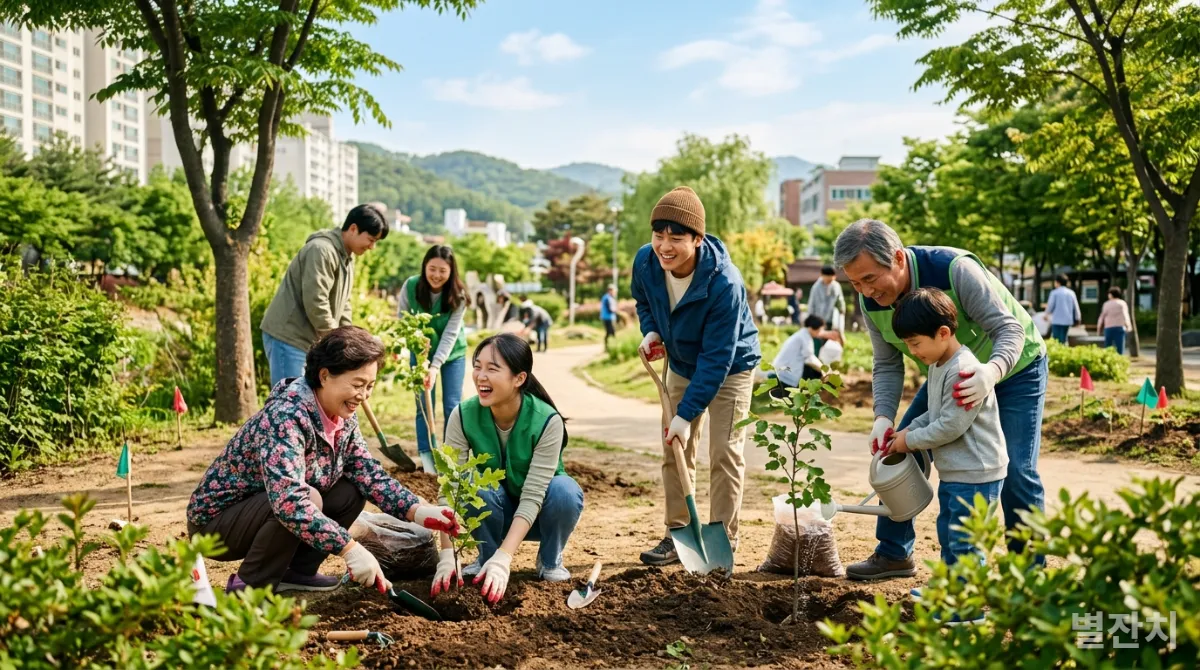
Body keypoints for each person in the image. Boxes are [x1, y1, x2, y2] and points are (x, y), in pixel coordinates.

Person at [833, 218, 1047, 580]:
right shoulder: (871, 303)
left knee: (1016, 471)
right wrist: (883, 417)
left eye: (870, 279)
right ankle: (894, 554)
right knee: (898, 451)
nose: (865, 291)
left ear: (898, 258)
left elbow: (1008, 329)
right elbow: (886, 363)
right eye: (855, 282)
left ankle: (1029, 574)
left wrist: (990, 372)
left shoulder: (955, 270)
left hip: (1013, 368)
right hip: (948, 375)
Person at [186, 327, 460, 594]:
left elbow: (367, 472)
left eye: (370, 386)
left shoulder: (343, 417)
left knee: (351, 489)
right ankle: (250, 586)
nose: (363, 396)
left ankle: (297, 572)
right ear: (325, 375)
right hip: (217, 526)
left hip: (265, 509)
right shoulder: (286, 416)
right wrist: (349, 549)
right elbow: (289, 502)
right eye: (357, 385)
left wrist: (418, 511)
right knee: (307, 499)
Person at [631, 186, 761, 566]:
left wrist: (687, 415)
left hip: (731, 367)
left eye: (676, 237)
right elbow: (643, 299)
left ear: (698, 239)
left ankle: (723, 538)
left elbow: (718, 358)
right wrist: (652, 330)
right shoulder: (646, 261)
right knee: (674, 447)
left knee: (724, 452)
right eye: (659, 235)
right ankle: (678, 534)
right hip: (682, 363)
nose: (664, 246)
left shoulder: (725, 283)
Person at [429, 333, 583, 604]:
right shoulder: (463, 415)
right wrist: (446, 554)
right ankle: (486, 557)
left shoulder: (547, 420)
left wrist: (506, 558)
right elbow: (450, 485)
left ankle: (549, 561)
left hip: (540, 515)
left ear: (519, 378)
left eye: (492, 368)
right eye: (477, 366)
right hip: (494, 513)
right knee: (473, 481)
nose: (480, 376)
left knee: (565, 491)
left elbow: (535, 494)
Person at [884, 288, 1007, 616]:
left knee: (963, 541)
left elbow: (951, 425)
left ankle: (965, 610)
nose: (912, 351)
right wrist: (907, 430)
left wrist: (909, 442)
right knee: (950, 531)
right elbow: (935, 412)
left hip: (978, 472)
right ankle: (951, 589)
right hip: (959, 471)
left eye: (914, 343)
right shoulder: (939, 363)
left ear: (943, 333)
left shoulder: (963, 370)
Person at [260, 205, 388, 387]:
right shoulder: (321, 250)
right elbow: (316, 301)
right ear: (353, 228)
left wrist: (349, 341)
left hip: (310, 340)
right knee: (289, 403)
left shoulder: (347, 258)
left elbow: (344, 304)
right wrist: (336, 345)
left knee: (309, 403)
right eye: (370, 239)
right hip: (289, 337)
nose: (372, 247)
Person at [398, 245, 469, 473]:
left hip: (452, 355)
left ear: (451, 272)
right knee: (423, 406)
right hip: (419, 353)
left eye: (442, 271)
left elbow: (450, 334)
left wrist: (435, 365)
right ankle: (428, 456)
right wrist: (420, 358)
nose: (436, 275)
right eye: (432, 269)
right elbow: (404, 321)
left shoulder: (458, 295)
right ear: (424, 267)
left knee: (452, 406)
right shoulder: (410, 287)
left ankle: (451, 457)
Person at [769, 314, 826, 397]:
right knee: (787, 396)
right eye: (818, 331)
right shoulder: (805, 337)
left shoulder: (801, 334)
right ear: (811, 328)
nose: (819, 333)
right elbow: (809, 358)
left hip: (782, 369)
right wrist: (824, 369)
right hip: (785, 373)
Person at [808, 265, 846, 332]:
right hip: (817, 319)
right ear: (822, 276)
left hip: (831, 319)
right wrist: (811, 320)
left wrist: (842, 311)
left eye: (831, 280)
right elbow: (811, 304)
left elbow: (840, 300)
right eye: (827, 280)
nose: (829, 282)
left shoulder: (836, 286)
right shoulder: (816, 287)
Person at [1045, 274, 1081, 344]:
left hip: (1056, 320)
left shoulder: (1054, 293)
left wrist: (1046, 314)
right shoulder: (1071, 293)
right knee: (1064, 338)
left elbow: (1050, 306)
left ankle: (1057, 352)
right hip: (1067, 320)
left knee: (1056, 339)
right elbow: (1076, 307)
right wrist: (1078, 318)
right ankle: (1064, 351)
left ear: (1058, 282)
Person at [1096, 287, 1132, 355]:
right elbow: (1125, 315)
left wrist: (1099, 328)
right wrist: (1128, 325)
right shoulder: (1122, 303)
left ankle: (1109, 362)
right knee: (1120, 348)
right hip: (1120, 328)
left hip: (1108, 328)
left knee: (1108, 348)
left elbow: (1102, 317)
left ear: (1111, 295)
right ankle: (1120, 361)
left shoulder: (1106, 304)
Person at [600, 285, 619, 350]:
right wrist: (616, 311)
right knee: (611, 332)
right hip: (608, 318)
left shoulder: (609, 297)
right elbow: (610, 308)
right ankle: (611, 346)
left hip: (609, 317)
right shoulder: (607, 298)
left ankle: (608, 346)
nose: (615, 293)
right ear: (610, 290)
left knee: (609, 332)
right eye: (614, 291)